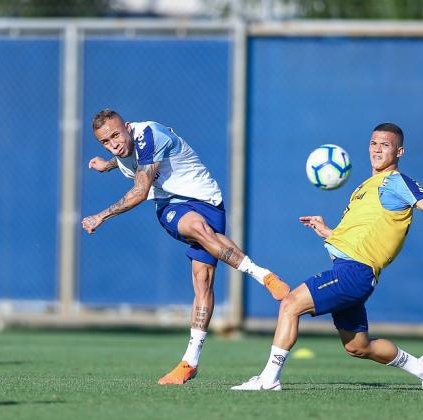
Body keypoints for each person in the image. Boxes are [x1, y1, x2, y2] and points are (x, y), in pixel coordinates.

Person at [231, 123, 423, 391]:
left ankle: (268, 380)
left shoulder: (397, 182)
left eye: (385, 145)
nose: (377, 149)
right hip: (351, 269)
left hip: (355, 272)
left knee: (290, 304)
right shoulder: (364, 187)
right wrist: (327, 231)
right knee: (358, 347)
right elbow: (360, 233)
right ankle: (422, 367)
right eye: (374, 143)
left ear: (400, 151)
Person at [82, 109, 290, 385]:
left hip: (207, 200)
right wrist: (106, 164)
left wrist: (100, 216)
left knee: (203, 282)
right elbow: (125, 160)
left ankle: (190, 362)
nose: (113, 144)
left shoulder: (148, 136)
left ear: (128, 127)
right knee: (196, 230)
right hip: (171, 205)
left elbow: (140, 191)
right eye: (105, 142)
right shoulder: (125, 147)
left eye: (116, 135)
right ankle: (263, 276)